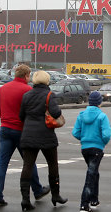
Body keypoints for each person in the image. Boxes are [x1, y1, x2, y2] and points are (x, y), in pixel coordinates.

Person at [0, 65, 50, 207]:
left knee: (2, 163)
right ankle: (37, 190)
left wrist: (4, 118)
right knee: (28, 162)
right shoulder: (27, 90)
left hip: (5, 129)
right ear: (26, 76)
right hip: (21, 130)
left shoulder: (3, 88)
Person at [19, 71, 68, 210]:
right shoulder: (49, 95)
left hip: (28, 134)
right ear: (47, 81)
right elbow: (56, 113)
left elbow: (21, 115)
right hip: (46, 135)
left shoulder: (26, 95)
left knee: (27, 166)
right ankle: (55, 195)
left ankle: (25, 200)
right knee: (52, 164)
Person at [72, 91, 111, 212]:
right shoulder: (102, 116)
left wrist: (84, 139)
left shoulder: (81, 115)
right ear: (99, 102)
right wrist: (102, 143)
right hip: (97, 148)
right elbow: (106, 134)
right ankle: (84, 203)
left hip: (85, 148)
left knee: (94, 172)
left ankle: (94, 199)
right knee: (91, 175)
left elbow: (75, 132)